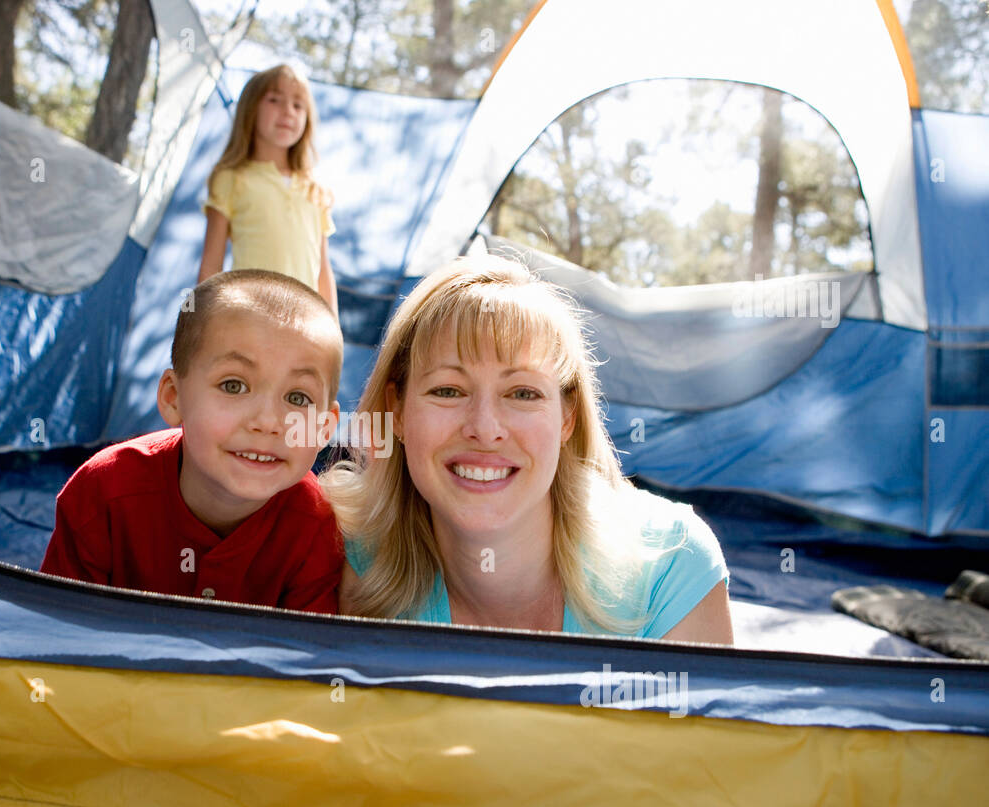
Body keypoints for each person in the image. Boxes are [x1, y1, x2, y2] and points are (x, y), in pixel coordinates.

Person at [321, 255, 734, 644]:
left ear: (567, 418)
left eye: (522, 393)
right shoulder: (347, 554)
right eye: (448, 390)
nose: (484, 428)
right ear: (397, 412)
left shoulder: (672, 568)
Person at [41, 270, 346, 613]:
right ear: (174, 397)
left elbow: (309, 658)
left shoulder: (320, 527)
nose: (268, 422)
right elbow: (56, 632)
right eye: (234, 385)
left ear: (324, 428)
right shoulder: (101, 493)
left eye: (298, 398)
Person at [198, 64, 339, 315]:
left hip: (302, 322)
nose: (288, 112)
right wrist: (202, 323)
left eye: (298, 105)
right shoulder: (231, 178)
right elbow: (211, 266)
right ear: (250, 110)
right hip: (249, 316)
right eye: (274, 100)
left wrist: (332, 330)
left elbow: (323, 273)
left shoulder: (315, 190)